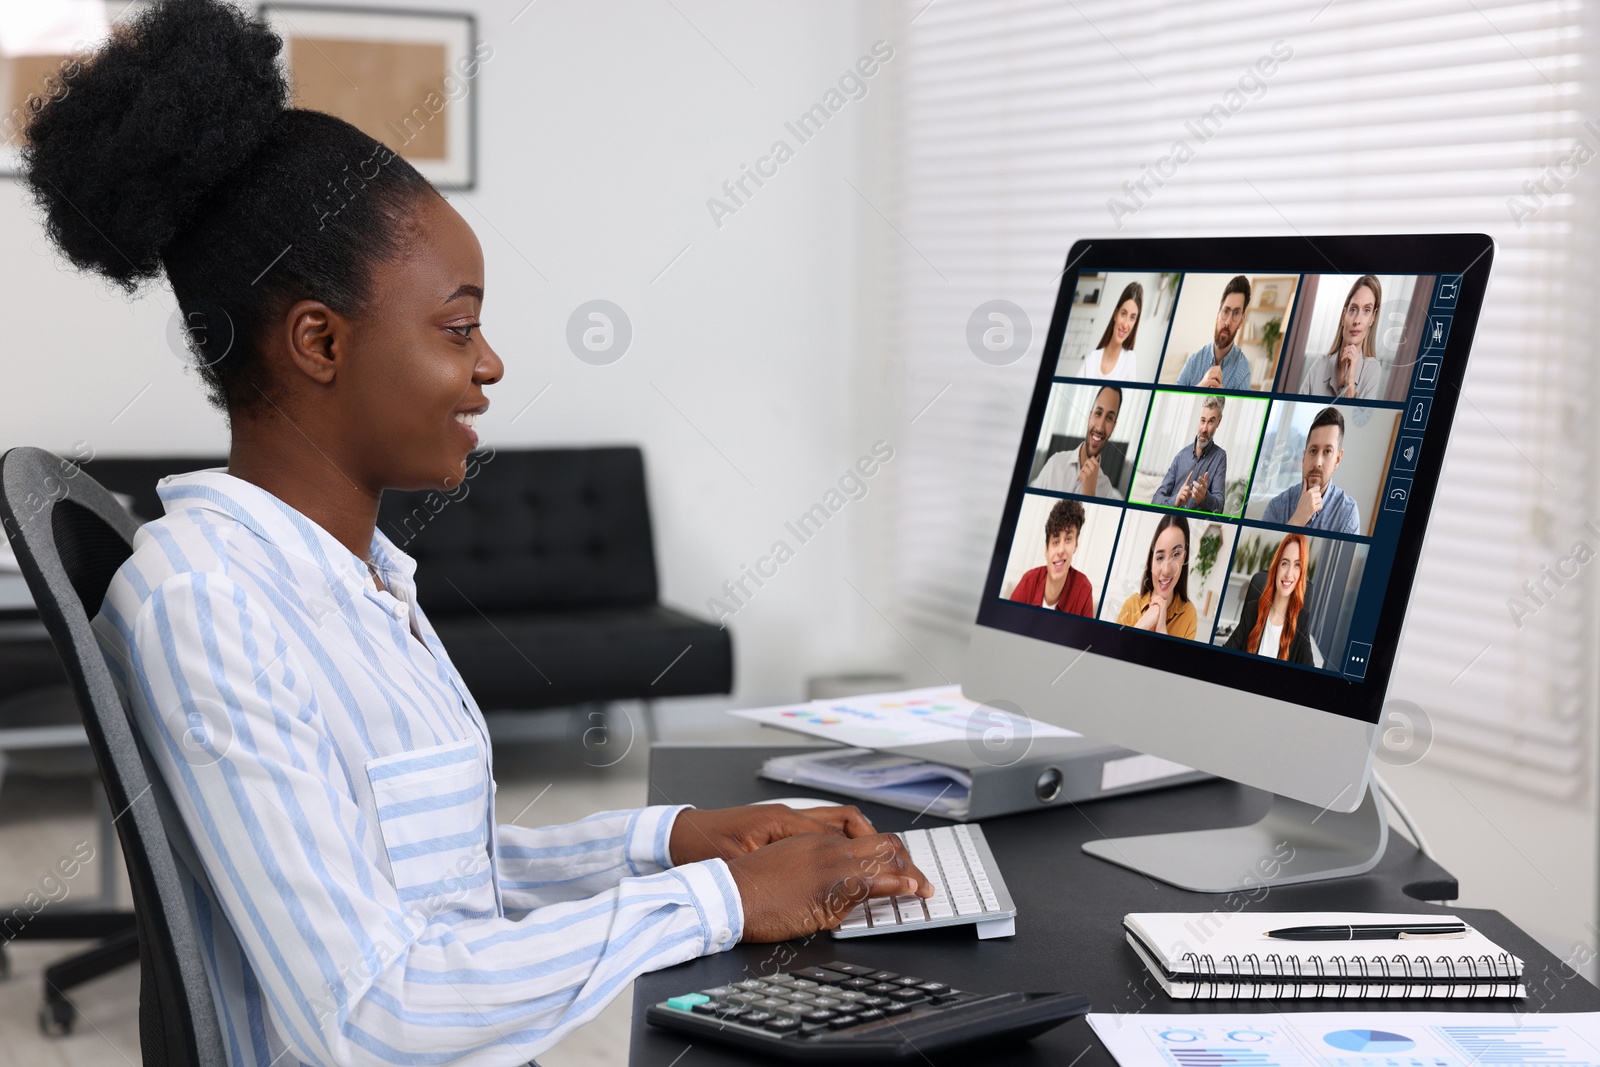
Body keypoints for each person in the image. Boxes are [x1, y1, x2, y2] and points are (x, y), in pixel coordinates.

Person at [30, 3, 931, 1063]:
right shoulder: (211, 603)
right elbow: (371, 1011)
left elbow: (433, 879)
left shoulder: (354, 576)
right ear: (318, 340)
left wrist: (673, 840)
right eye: (458, 328)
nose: (490, 363)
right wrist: (716, 902)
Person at [1261, 405, 1361, 534]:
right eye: (1313, 451)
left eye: (1327, 451)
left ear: (1337, 459)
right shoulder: (1276, 507)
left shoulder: (1348, 514)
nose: (1317, 463)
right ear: (1304, 457)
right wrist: (1297, 520)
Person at [1225, 534, 1316, 664]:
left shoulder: (1301, 621)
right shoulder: (1252, 610)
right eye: (1285, 563)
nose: (1289, 574)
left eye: (1297, 565)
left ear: (1302, 574)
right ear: (1276, 568)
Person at [1031, 384, 1124, 499]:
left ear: (1113, 427)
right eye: (1098, 413)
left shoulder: (1106, 490)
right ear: (1090, 417)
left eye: (1109, 418)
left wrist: (1089, 495)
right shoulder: (1055, 463)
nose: (1100, 427)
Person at [1298, 275, 1383, 399]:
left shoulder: (1372, 371)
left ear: (1373, 318)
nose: (1357, 320)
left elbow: (1352, 418)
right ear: (1344, 316)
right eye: (1353, 310)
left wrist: (1350, 383)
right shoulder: (1319, 366)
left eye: (1366, 310)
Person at [1113, 514, 1197, 639]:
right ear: (1151, 561)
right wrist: (1142, 626)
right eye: (1160, 557)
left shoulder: (1188, 614)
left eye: (1175, 554)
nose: (1166, 570)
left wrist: (1162, 630)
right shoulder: (1131, 606)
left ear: (1184, 557)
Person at [1008, 499, 1096, 615]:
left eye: (1068, 539)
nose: (1060, 550)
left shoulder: (1083, 590)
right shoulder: (1028, 582)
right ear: (1046, 550)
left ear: (1076, 545)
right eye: (1055, 541)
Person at [1152, 395, 1229, 513]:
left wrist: (1205, 498)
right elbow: (1155, 500)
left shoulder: (1220, 457)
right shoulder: (1180, 456)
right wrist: (1175, 500)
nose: (1204, 429)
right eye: (1203, 420)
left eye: (1211, 422)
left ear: (1219, 421)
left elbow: (1219, 508)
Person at [1174, 275, 1252, 391]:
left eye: (1236, 313)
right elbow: (1175, 397)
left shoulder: (1243, 370)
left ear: (1241, 321)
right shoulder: (1194, 361)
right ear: (1218, 315)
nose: (1227, 322)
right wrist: (1201, 386)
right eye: (1225, 311)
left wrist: (1222, 396)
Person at [1076, 281, 1142, 380]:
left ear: (1135, 322)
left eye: (1132, 318)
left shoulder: (1129, 360)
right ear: (1116, 314)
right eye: (1123, 314)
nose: (1125, 325)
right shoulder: (1092, 359)